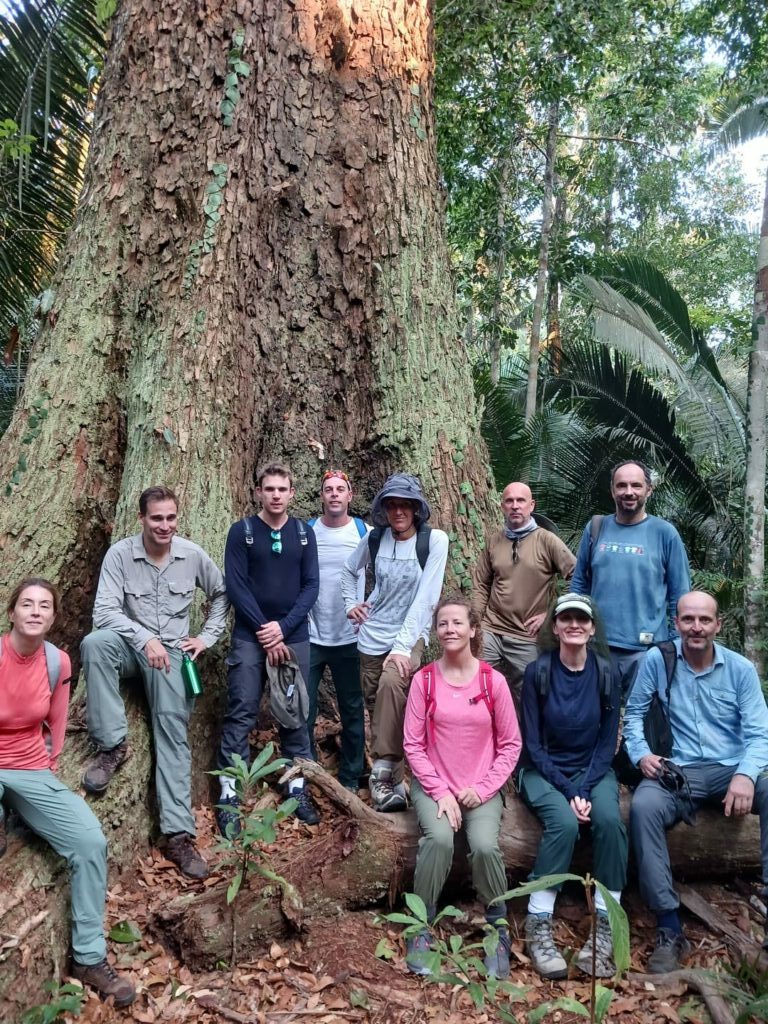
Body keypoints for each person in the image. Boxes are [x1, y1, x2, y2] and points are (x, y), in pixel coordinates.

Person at [81, 486, 228, 880]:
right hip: (133, 645)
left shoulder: (192, 555)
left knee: (172, 733)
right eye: (156, 518)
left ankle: (178, 834)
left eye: (170, 518)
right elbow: (104, 612)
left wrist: (206, 637)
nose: (164, 525)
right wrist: (143, 638)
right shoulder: (120, 555)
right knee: (94, 645)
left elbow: (221, 593)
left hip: (172, 655)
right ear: (142, 519)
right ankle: (112, 745)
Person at [0, 579, 135, 1006]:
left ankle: (89, 958)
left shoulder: (58, 662)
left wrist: (49, 769)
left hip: (28, 770)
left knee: (90, 842)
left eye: (44, 606)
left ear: (54, 616)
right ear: (12, 613)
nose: (35, 611)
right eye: (26, 604)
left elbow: (56, 723)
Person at [625, 591, 768, 972]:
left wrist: (745, 775)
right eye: (688, 619)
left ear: (717, 625)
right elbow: (634, 714)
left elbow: (759, 733)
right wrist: (641, 754)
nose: (696, 627)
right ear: (676, 623)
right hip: (679, 771)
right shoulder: (659, 660)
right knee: (643, 807)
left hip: (729, 769)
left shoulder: (740, 670)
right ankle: (670, 927)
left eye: (705, 620)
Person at [403, 595, 521, 978]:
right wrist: (439, 791)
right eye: (443, 624)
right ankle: (421, 925)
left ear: (473, 630)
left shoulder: (492, 681)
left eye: (457, 623)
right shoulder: (424, 681)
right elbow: (413, 745)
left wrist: (484, 788)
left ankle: (497, 927)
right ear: (436, 632)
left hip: (480, 786)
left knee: (485, 845)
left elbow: (510, 745)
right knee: (439, 839)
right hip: (434, 785)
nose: (450, 629)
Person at [519, 593, 627, 979]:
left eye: (582, 619)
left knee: (611, 822)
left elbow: (607, 741)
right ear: (555, 627)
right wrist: (570, 792)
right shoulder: (539, 673)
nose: (574, 625)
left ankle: (605, 924)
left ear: (593, 628)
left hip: (592, 769)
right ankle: (538, 922)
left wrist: (586, 786)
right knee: (564, 824)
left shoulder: (607, 672)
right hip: (543, 770)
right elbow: (532, 744)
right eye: (566, 619)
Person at [216, 462, 321, 831]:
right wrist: (265, 630)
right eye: (269, 489)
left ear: (292, 493)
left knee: (295, 714)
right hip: (250, 636)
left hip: (293, 637)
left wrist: (283, 629)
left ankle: (297, 787)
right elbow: (237, 585)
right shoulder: (242, 532)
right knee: (241, 710)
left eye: (282, 489)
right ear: (258, 491)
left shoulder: (304, 534)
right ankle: (230, 791)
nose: (276, 495)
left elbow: (311, 586)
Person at [340, 473, 449, 812]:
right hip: (371, 634)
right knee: (379, 705)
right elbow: (349, 570)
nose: (399, 511)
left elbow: (427, 598)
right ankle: (395, 782)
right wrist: (350, 604)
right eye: (393, 505)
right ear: (384, 509)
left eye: (406, 505)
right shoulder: (375, 539)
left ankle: (383, 776)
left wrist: (403, 646)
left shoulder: (434, 541)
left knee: (392, 684)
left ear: (417, 509)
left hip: (409, 635)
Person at [571, 461, 691, 694]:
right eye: (622, 485)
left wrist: (676, 646)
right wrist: (575, 630)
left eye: (636, 485)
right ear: (612, 490)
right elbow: (579, 585)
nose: (629, 492)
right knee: (596, 723)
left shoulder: (665, 533)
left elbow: (681, 596)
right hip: (597, 647)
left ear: (649, 489)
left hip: (647, 651)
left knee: (645, 724)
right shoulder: (596, 527)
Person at [472, 481, 575, 706]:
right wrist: (476, 622)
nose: (515, 506)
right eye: (509, 501)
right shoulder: (494, 541)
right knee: (475, 683)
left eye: (521, 501)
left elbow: (577, 577)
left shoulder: (546, 540)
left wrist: (552, 614)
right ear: (502, 506)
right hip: (491, 628)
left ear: (531, 505)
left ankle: (525, 740)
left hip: (527, 635)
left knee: (530, 696)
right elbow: (481, 583)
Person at [307, 469, 371, 791]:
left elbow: (388, 569)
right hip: (311, 634)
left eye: (340, 489)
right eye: (328, 488)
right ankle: (304, 771)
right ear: (322, 495)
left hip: (350, 636)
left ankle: (350, 776)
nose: (334, 493)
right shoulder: (306, 532)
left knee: (351, 707)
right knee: (303, 706)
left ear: (350, 495)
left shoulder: (364, 531)